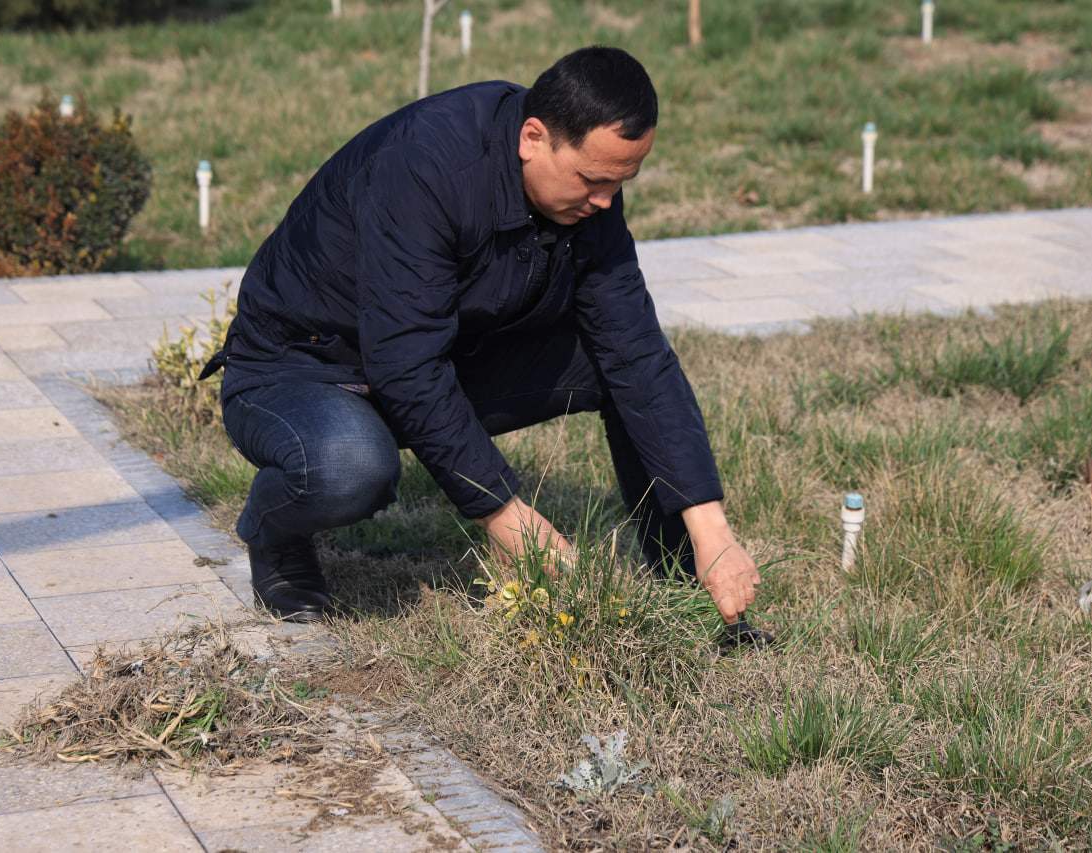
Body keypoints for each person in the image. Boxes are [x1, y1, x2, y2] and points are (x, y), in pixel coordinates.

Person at [201, 46, 762, 627]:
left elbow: (637, 352)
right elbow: (406, 363)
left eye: (620, 184)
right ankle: (276, 533)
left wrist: (711, 528)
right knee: (349, 465)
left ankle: (687, 578)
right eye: (591, 180)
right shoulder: (424, 167)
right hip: (300, 367)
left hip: (438, 355)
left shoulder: (590, 200)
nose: (604, 202)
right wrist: (509, 517)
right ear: (533, 137)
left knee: (612, 365)